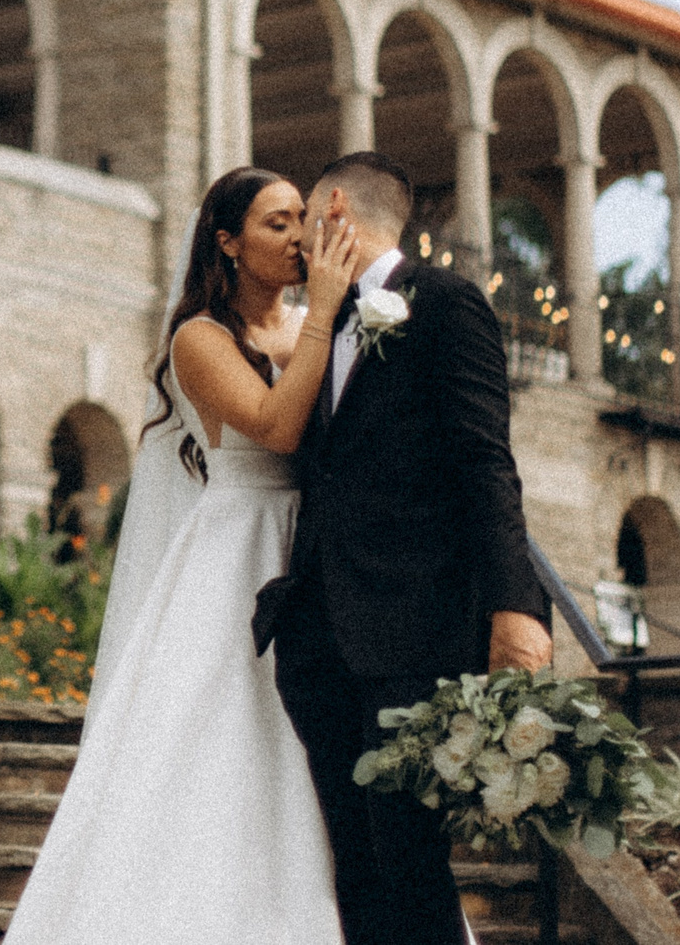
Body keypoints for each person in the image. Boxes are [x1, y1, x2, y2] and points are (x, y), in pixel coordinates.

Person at [4, 166, 362, 943]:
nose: (299, 235)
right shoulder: (199, 338)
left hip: (314, 546)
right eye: (276, 222)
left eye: (303, 216)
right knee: (228, 733)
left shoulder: (310, 320)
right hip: (240, 546)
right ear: (228, 242)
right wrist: (326, 315)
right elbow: (273, 425)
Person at [252, 151, 553, 945]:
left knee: (411, 861)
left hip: (412, 634)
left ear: (335, 209)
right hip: (319, 642)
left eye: (305, 218)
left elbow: (485, 458)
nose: (297, 242)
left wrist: (515, 605)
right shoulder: (317, 322)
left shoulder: (447, 303)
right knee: (353, 867)